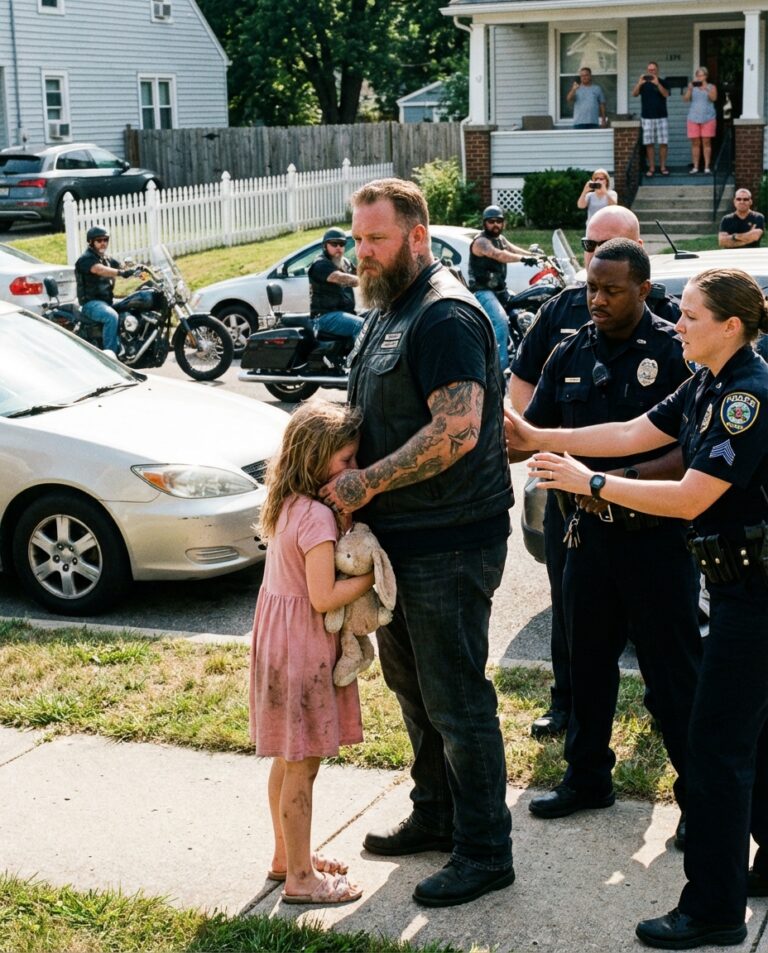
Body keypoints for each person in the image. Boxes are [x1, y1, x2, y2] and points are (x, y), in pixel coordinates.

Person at [506, 267, 768, 951]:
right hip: (739, 585)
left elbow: (688, 496)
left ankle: (713, 908)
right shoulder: (708, 380)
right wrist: (542, 440)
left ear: (730, 326)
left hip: (756, 595)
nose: (675, 323)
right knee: (740, 740)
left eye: (688, 315)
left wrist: (587, 481)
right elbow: (629, 431)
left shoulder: (747, 394)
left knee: (714, 749)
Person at [319, 178, 515, 909]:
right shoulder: (387, 307)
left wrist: (365, 482)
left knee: (457, 699)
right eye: (358, 238)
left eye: (376, 239)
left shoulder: (445, 314)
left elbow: (459, 429)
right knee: (413, 690)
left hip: (450, 541)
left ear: (418, 236)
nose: (362, 252)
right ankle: (436, 813)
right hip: (401, 543)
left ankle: (486, 849)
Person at [510, 239, 700, 843]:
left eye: (611, 290)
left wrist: (612, 484)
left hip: (656, 542)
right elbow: (531, 437)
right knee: (586, 664)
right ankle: (587, 776)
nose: (596, 299)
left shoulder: (674, 353)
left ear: (644, 290)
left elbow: (690, 449)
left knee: (672, 678)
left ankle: (700, 801)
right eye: (592, 287)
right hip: (585, 536)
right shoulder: (568, 351)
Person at [249, 398, 374, 907]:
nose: (354, 469)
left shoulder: (284, 504)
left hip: (277, 643)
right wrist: (371, 578)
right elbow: (323, 596)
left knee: (286, 756)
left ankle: (286, 858)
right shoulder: (318, 519)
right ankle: (302, 878)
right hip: (303, 648)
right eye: (346, 460)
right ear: (315, 458)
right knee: (303, 764)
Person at [468, 204, 540, 373]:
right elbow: (498, 255)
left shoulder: (501, 239)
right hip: (483, 291)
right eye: (491, 221)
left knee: (521, 316)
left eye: (499, 221)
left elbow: (512, 249)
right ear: (484, 223)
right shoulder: (481, 242)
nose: (495, 225)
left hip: (500, 291)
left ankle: (523, 361)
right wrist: (523, 259)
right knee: (500, 322)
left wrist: (535, 257)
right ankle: (500, 370)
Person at [74, 225, 138, 355]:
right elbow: (99, 270)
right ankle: (111, 354)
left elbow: (121, 266)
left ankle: (129, 345)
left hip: (107, 301)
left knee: (133, 304)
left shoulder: (105, 258)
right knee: (111, 316)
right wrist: (121, 273)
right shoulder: (86, 259)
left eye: (105, 240)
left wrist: (139, 269)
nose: (103, 243)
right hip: (91, 304)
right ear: (91, 242)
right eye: (99, 240)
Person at [308, 228, 364, 342]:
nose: (338, 247)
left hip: (343, 314)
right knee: (361, 326)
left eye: (342, 244)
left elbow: (361, 273)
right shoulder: (320, 263)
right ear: (325, 246)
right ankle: (361, 359)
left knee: (374, 319)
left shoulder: (345, 262)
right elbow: (338, 277)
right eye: (334, 244)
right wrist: (367, 281)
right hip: (325, 317)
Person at [632, 62, 671, 176]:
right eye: (649, 70)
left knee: (663, 143)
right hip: (647, 117)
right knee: (649, 144)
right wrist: (639, 83)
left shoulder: (663, 82)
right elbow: (634, 94)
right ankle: (652, 168)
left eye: (653, 70)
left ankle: (663, 167)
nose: (651, 72)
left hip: (661, 117)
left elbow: (666, 95)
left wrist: (657, 83)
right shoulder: (643, 83)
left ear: (657, 70)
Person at [682, 67, 718, 175]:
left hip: (708, 118)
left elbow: (714, 98)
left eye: (701, 75)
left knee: (706, 142)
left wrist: (705, 88)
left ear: (706, 76)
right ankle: (695, 167)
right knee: (695, 143)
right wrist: (689, 89)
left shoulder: (711, 87)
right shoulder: (692, 87)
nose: (699, 77)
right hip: (693, 118)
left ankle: (707, 167)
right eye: (698, 75)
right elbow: (685, 99)